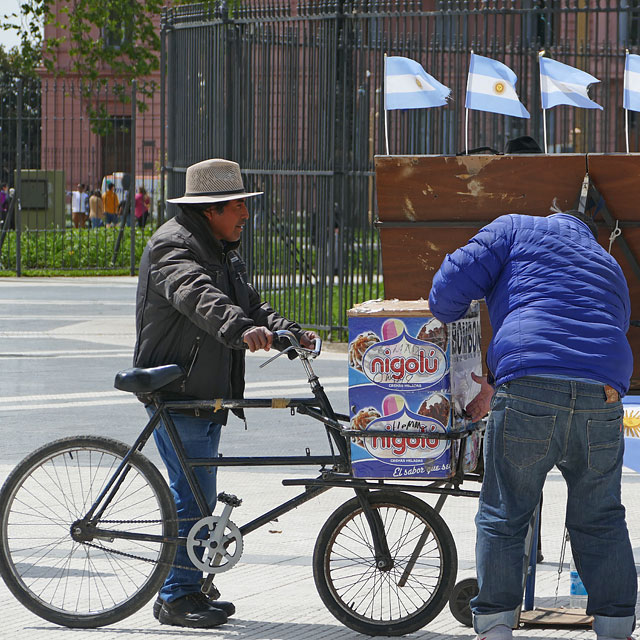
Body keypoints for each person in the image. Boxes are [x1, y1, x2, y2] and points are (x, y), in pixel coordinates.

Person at [428, 209, 636, 640]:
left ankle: (497, 628)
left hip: (530, 387)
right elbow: (611, 328)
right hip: (604, 394)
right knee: (601, 517)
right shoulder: (607, 262)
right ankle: (616, 628)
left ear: (554, 216)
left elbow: (450, 286)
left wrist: (447, 313)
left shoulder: (516, 228)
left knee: (506, 513)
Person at [133, 158, 318, 629]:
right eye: (238, 205)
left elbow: (253, 304)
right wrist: (241, 330)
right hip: (178, 387)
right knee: (192, 497)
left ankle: (190, 588)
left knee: (198, 492)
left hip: (206, 390)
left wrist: (288, 332)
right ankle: (175, 597)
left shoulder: (219, 249)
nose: (246, 214)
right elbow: (198, 297)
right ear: (211, 208)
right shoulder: (173, 247)